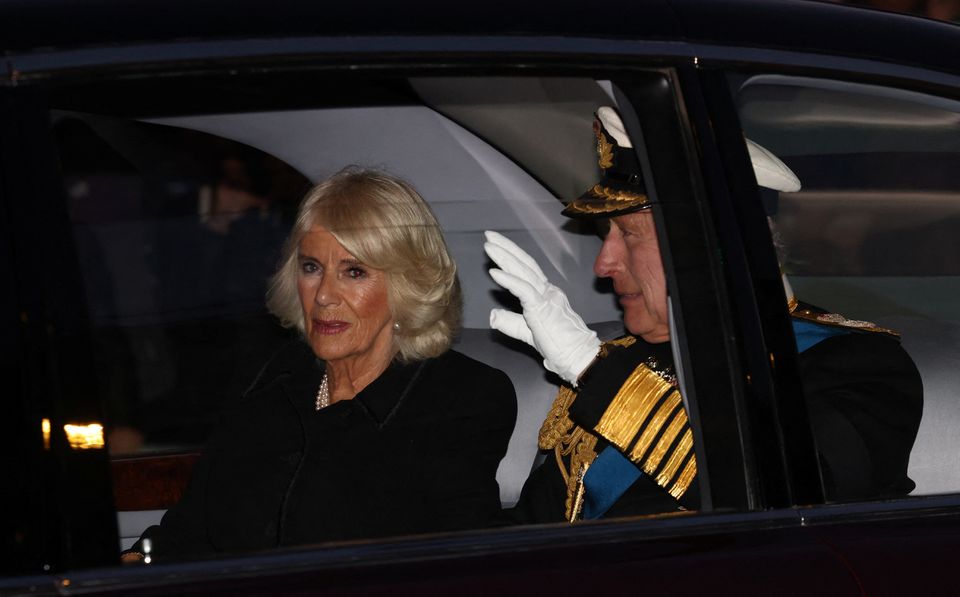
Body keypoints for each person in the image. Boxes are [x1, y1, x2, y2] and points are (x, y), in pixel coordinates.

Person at [486, 106, 922, 523]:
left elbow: (792, 507)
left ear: (716, 249)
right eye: (607, 236)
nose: (603, 265)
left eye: (629, 235)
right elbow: (533, 533)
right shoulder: (620, 361)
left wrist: (593, 369)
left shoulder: (856, 366)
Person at [124, 167, 517, 562]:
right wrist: (120, 567)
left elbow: (460, 564)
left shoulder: (462, 398)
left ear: (406, 285)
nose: (325, 295)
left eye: (354, 271)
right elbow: (188, 533)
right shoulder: (273, 377)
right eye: (311, 267)